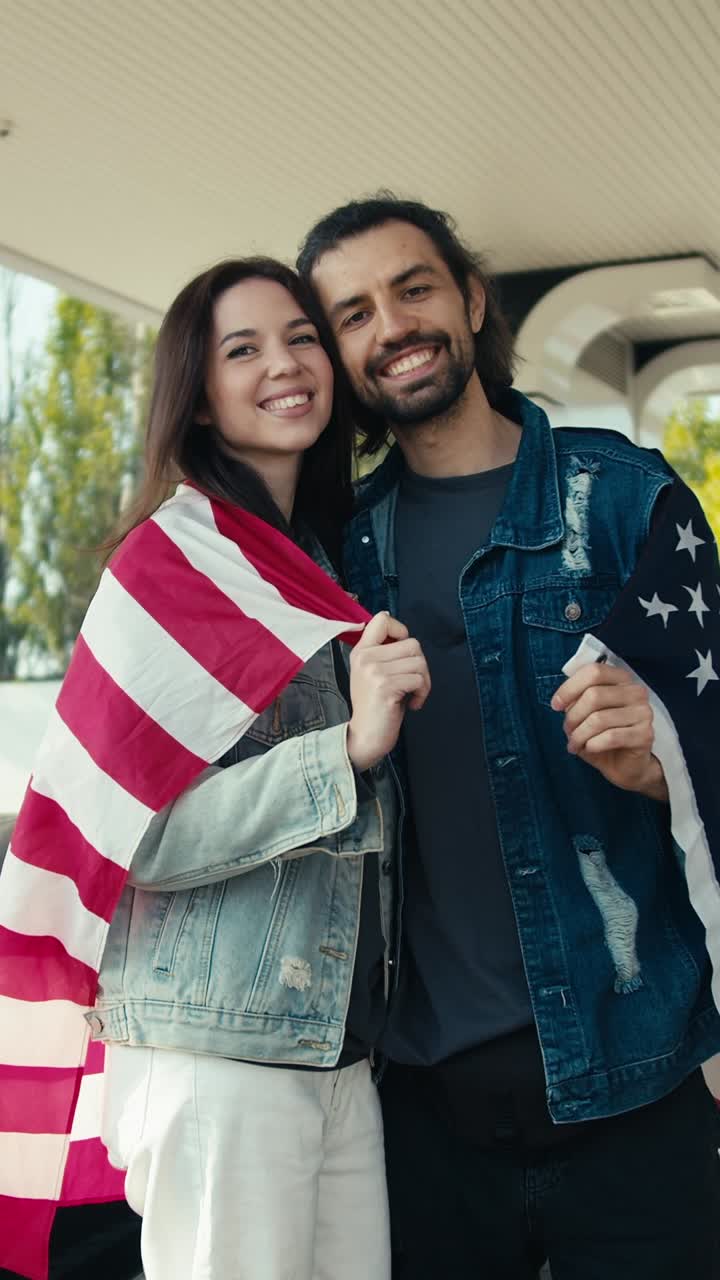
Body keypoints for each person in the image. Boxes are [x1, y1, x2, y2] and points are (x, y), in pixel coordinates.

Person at [297, 197, 720, 1279]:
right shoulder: (331, 562)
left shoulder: (630, 500)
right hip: (422, 1121)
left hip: (639, 1094)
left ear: (472, 299)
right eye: (352, 313)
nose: (392, 324)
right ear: (338, 354)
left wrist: (663, 765)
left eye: (414, 287)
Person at [92, 257, 430, 1280]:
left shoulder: (321, 564)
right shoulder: (168, 564)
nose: (286, 363)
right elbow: (137, 829)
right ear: (197, 395)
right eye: (244, 349)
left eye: (300, 337)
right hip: (219, 1051)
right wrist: (346, 750)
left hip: (334, 1046)